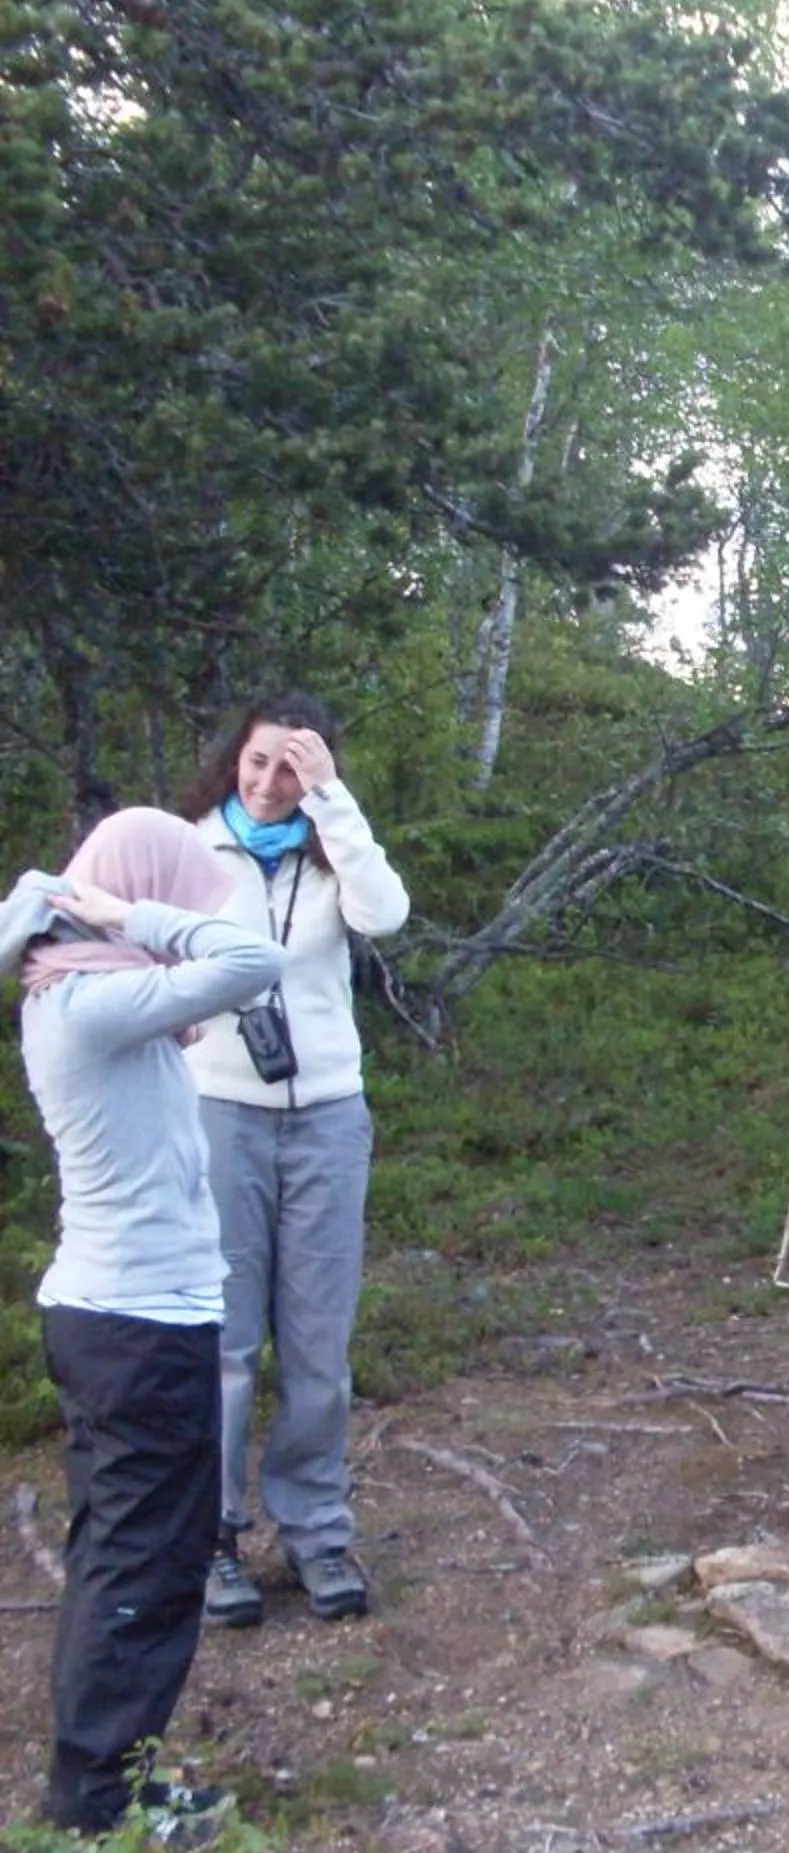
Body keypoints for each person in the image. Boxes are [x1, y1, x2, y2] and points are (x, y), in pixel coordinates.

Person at [6, 810, 284, 1832]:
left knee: (122, 1557)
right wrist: (136, 917)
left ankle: (105, 1785)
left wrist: (129, 940)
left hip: (120, 1316)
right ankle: (98, 1813)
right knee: (144, 1567)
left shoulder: (84, 996)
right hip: (137, 1325)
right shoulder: (89, 1001)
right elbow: (252, 960)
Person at [178, 695, 410, 1627]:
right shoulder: (191, 848)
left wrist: (333, 803)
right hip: (218, 1112)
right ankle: (211, 1535)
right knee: (225, 1341)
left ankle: (315, 1530)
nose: (269, 783)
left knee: (318, 1343)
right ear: (233, 760)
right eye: (258, 761)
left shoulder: (329, 852)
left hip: (325, 1118)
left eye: (290, 767)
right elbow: (139, 950)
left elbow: (384, 915)